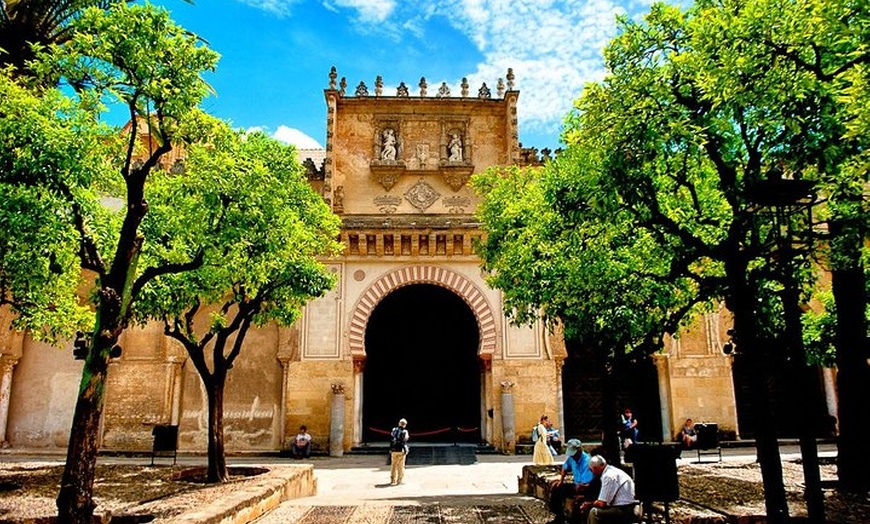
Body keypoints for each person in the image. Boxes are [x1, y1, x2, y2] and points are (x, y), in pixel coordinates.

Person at [547, 439, 597, 524]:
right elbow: (565, 467)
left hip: (586, 487)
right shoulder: (572, 458)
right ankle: (559, 516)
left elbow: (586, 482)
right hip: (576, 485)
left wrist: (580, 488)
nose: (573, 456)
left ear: (579, 450)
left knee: (577, 501)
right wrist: (561, 480)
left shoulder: (587, 461)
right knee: (556, 489)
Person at [579, 455, 639, 524]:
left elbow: (602, 503)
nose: (592, 472)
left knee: (594, 512)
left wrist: (589, 504)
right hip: (626, 506)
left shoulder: (608, 476)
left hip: (624, 509)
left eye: (591, 470)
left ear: (595, 468)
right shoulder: (612, 470)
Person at [389, 418, 409, 485]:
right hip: (401, 450)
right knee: (400, 466)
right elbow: (405, 439)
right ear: (405, 425)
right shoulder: (405, 431)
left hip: (394, 449)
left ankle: (392, 480)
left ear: (399, 423)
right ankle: (399, 480)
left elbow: (391, 438)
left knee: (393, 465)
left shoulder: (394, 430)